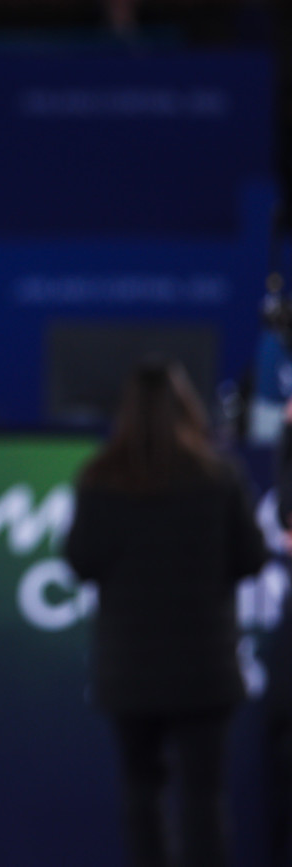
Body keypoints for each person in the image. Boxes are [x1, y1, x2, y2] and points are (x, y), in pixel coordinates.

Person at [64, 358, 268, 867]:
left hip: (130, 672)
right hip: (205, 669)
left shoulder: (100, 479)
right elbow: (251, 557)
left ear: (127, 412)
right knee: (204, 798)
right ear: (188, 410)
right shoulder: (218, 477)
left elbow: (81, 561)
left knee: (142, 792)